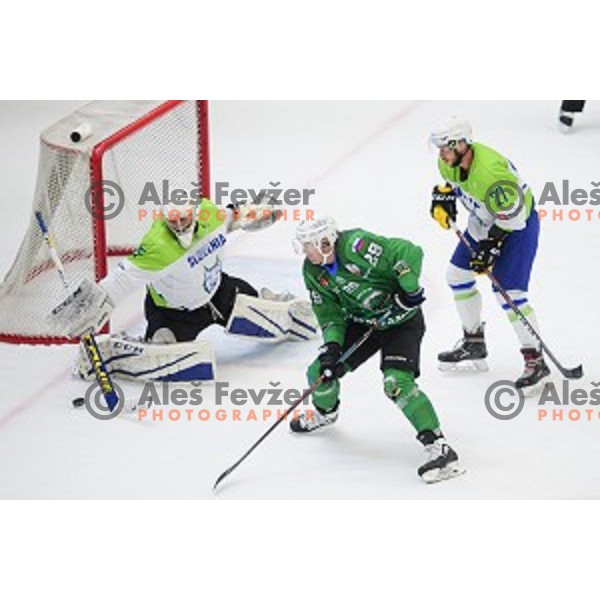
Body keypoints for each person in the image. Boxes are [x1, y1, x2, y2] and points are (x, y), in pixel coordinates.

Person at [50, 197, 317, 381]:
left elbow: (233, 216)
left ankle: (276, 304)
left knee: (272, 318)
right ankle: (115, 354)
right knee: (167, 357)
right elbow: (121, 280)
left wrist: (260, 212)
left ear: (194, 213)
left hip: (219, 294)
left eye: (184, 220)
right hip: (173, 313)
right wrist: (88, 306)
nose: (179, 226)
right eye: (173, 222)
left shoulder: (209, 214)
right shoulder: (158, 246)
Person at [289, 214, 464, 484]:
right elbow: (329, 314)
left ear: (325, 243)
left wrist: (409, 291)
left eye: (308, 245)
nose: (304, 251)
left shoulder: (356, 245)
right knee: (320, 373)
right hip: (362, 324)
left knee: (396, 383)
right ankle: (325, 413)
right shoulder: (312, 271)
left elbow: (409, 252)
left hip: (401, 323)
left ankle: (439, 447)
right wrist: (333, 346)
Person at [429, 116, 549, 393]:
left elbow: (514, 219)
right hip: (485, 220)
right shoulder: (449, 161)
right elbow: (451, 185)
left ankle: (536, 359)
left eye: (445, 147)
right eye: (439, 148)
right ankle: (474, 343)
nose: (441, 154)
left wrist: (491, 247)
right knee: (457, 275)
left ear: (462, 144)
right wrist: (442, 198)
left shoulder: (491, 174)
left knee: (509, 293)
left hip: (517, 225)